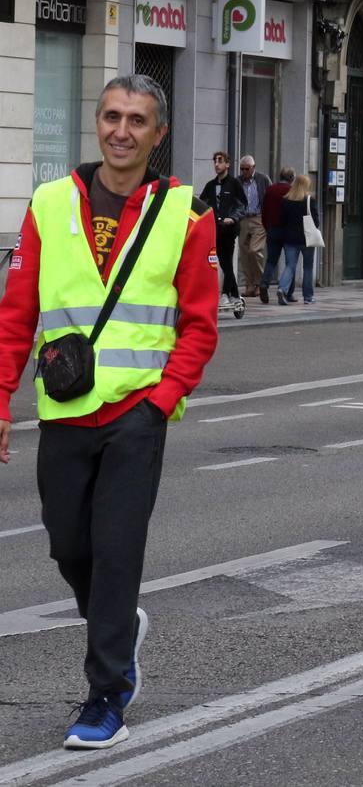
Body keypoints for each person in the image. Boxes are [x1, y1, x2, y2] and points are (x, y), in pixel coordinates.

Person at [0, 74, 219, 750]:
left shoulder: (186, 214)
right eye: (112, 117)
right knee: (69, 545)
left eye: (137, 120)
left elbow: (200, 324)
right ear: (96, 124)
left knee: (117, 553)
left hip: (136, 415)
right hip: (65, 411)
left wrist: (161, 401)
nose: (122, 130)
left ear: (158, 135)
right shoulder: (49, 203)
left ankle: (106, 693)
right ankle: (119, 627)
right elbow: (17, 315)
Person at [200, 151, 244, 299]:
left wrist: (232, 218)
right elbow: (202, 204)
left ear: (227, 164)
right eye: (215, 162)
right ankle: (235, 294)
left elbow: (242, 204)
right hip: (214, 229)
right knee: (220, 262)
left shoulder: (234, 184)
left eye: (220, 161)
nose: (217, 164)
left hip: (228, 230)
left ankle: (226, 293)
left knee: (226, 261)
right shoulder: (210, 185)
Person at [277, 174, 320, 305]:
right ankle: (308, 297)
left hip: (289, 238)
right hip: (307, 238)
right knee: (307, 267)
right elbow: (316, 222)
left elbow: (282, 220)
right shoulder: (309, 200)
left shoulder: (286, 200)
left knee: (290, 265)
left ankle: (282, 288)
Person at [234, 155, 271, 300]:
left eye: (247, 169)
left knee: (254, 250)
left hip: (258, 218)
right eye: (242, 169)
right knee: (244, 253)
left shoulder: (263, 179)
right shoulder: (238, 181)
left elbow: (270, 196)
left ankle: (261, 283)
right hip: (243, 219)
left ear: (253, 168)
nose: (244, 172)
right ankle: (250, 285)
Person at [260, 166, 293, 303]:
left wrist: (267, 226)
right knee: (291, 262)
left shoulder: (270, 189)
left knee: (271, 260)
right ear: (291, 178)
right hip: (288, 231)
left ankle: (264, 284)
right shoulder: (291, 191)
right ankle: (288, 292)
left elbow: (264, 210)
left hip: (272, 229)